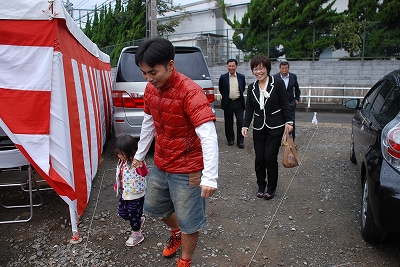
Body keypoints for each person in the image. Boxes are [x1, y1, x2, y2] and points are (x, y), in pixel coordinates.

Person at [132, 37, 218, 267]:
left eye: (153, 72)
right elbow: (148, 123)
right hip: (162, 161)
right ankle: (175, 232)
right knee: (154, 208)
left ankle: (185, 261)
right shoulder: (151, 89)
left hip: (188, 167)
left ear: (170, 65)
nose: (148, 79)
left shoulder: (190, 92)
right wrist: (140, 155)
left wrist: (209, 176)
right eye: (144, 73)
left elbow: (208, 135)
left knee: (191, 221)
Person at [241, 55, 293, 200]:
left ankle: (271, 187)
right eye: (256, 69)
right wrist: (245, 125)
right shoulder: (252, 87)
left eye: (262, 68)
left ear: (267, 69)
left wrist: (289, 122)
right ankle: (261, 185)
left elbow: (285, 103)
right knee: (259, 159)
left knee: (270, 157)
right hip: (259, 128)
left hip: (275, 126)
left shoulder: (277, 83)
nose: (259, 71)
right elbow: (249, 107)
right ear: (252, 71)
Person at [114, 134, 147, 247]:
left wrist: (140, 165)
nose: (120, 156)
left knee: (133, 214)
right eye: (118, 153)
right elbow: (121, 174)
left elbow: (144, 173)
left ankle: (137, 233)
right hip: (125, 193)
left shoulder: (136, 162)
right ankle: (138, 219)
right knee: (122, 212)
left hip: (136, 194)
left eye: (122, 154)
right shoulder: (121, 162)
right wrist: (117, 184)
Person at [218, 59, 246, 148]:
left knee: (241, 122)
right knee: (228, 122)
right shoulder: (223, 77)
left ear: (236, 66)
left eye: (233, 66)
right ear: (227, 66)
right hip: (228, 102)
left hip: (239, 102)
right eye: (229, 66)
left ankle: (240, 142)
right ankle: (230, 139)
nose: (231, 68)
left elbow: (243, 87)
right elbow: (221, 89)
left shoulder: (241, 77)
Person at [273, 61, 300, 139]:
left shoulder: (293, 76)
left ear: (288, 68)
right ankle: (280, 139)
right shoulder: (275, 77)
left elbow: (297, 89)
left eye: (286, 68)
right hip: (278, 104)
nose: (284, 70)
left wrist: (297, 99)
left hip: (291, 103)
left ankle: (291, 140)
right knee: (279, 121)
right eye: (282, 68)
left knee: (291, 122)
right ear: (280, 69)